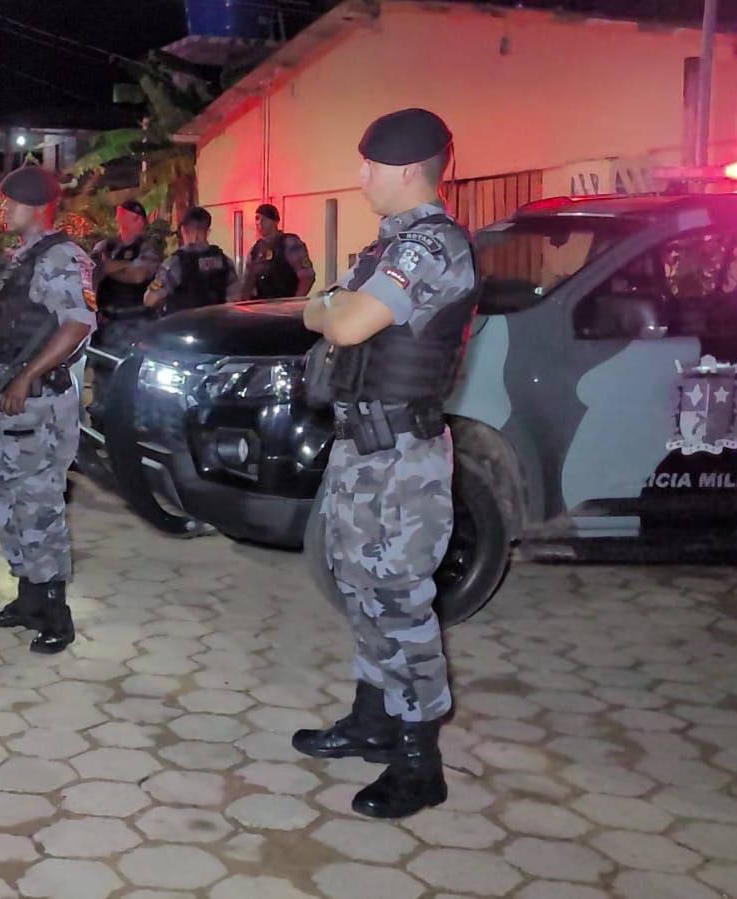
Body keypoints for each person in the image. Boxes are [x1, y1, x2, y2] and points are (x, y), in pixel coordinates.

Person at [291, 108, 478, 820]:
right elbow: (330, 304)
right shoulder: (385, 248)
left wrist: (326, 305)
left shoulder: (432, 248)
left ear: (403, 170)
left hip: (402, 459)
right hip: (363, 450)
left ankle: (417, 759)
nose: (359, 175)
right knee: (361, 587)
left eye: (368, 165)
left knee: (399, 602)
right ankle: (373, 718)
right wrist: (329, 301)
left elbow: (336, 319)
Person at [0, 166, 95, 654]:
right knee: (9, 502)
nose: (4, 210)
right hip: (4, 401)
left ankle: (56, 613)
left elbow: (77, 325)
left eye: (10, 202)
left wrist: (24, 375)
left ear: (38, 206)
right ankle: (27, 598)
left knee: (40, 506)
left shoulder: (63, 257)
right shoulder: (14, 259)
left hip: (36, 401)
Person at [89, 199, 162, 353]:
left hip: (138, 323)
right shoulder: (104, 246)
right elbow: (92, 272)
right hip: (107, 324)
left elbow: (137, 276)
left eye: (142, 219)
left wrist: (108, 266)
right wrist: (126, 265)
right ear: (121, 219)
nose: (142, 223)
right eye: (136, 219)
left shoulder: (149, 247)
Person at [144, 207, 238, 316]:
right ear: (208, 231)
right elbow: (236, 298)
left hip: (185, 328)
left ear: (183, 230)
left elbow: (149, 299)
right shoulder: (224, 261)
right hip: (217, 328)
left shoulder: (175, 263)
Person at [240, 204, 316, 301]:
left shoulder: (290, 243)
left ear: (275, 222)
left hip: (285, 306)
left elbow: (307, 276)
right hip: (262, 308)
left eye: (265, 219)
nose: (260, 223)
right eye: (257, 219)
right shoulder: (255, 250)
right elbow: (247, 282)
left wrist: (294, 302)